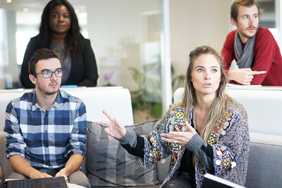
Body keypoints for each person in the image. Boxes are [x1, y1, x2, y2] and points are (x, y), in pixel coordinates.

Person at [97, 45, 250, 188]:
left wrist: (195, 143)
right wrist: (125, 136)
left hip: (219, 183)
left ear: (221, 78)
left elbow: (227, 161)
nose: (208, 76)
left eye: (214, 70)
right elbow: (153, 148)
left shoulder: (235, 114)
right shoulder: (177, 113)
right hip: (184, 181)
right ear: (190, 76)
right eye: (200, 70)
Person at [5, 48, 90, 187]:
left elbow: (77, 149)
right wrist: (34, 174)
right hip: (30, 171)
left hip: (65, 170)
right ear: (33, 78)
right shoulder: (15, 107)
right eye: (46, 73)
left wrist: (64, 172)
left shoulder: (76, 106)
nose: (54, 77)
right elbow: (15, 153)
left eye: (58, 71)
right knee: (13, 182)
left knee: (81, 181)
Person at [20, 0, 98, 88]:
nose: (61, 19)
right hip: (43, 99)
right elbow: (26, 79)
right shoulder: (35, 43)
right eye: (55, 16)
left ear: (71, 19)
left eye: (65, 16)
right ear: (47, 18)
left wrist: (69, 91)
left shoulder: (83, 44)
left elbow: (91, 79)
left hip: (75, 98)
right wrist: (49, 90)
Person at [221, 0, 282, 86]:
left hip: (274, 94)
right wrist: (230, 74)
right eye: (245, 17)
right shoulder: (231, 38)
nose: (252, 23)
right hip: (250, 93)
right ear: (233, 21)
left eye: (255, 16)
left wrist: (227, 77)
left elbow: (255, 80)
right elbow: (217, 71)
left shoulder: (265, 36)